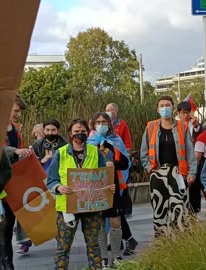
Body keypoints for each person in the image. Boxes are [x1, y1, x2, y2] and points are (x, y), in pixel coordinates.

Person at [46, 118, 112, 270]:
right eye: (76, 131)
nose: (80, 134)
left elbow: (102, 177)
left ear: (87, 133)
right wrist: (59, 187)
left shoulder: (95, 152)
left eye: (83, 131)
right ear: (70, 133)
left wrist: (109, 188)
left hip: (91, 206)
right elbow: (51, 180)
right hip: (67, 206)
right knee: (63, 246)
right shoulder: (60, 153)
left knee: (93, 246)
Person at [140, 96, 197, 237]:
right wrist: (151, 169)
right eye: (162, 105)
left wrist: (192, 172)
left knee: (179, 208)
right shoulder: (151, 127)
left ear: (172, 108)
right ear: (158, 109)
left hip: (177, 172)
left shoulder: (181, 126)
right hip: (158, 172)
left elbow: (190, 151)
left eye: (167, 105)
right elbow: (143, 152)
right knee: (159, 209)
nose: (165, 108)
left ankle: (178, 243)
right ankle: (162, 242)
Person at [88, 112, 130, 268]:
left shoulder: (115, 141)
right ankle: (103, 257)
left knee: (116, 222)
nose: (101, 125)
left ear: (109, 124)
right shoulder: (89, 142)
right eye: (98, 122)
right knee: (99, 223)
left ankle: (116, 256)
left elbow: (125, 163)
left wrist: (113, 163)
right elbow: (84, 165)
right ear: (93, 124)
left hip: (114, 187)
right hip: (96, 188)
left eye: (104, 122)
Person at [0, 95, 33, 269]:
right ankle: (6, 264)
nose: (18, 114)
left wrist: (25, 152)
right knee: (4, 224)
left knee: (10, 221)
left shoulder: (15, 129)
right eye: (16, 111)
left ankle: (4, 263)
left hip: (14, 181)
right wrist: (17, 151)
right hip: (0, 183)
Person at [105, 103, 138, 255]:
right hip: (102, 181)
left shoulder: (120, 129)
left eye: (111, 110)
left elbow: (126, 151)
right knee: (111, 212)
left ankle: (128, 239)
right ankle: (117, 241)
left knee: (115, 210)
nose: (109, 113)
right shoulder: (94, 139)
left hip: (117, 179)